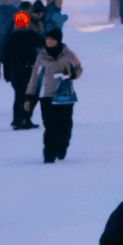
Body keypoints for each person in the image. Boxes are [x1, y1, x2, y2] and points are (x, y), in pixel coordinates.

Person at [32, 30, 85, 164]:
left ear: (59, 40)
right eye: (47, 39)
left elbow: (79, 68)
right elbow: (35, 76)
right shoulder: (41, 56)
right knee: (50, 126)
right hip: (47, 96)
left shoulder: (69, 54)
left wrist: (72, 75)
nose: (49, 42)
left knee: (65, 125)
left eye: (52, 39)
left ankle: (62, 147)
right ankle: (49, 154)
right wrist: (29, 95)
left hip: (65, 95)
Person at [0, 0, 40, 130]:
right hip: (28, 69)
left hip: (16, 70)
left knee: (19, 96)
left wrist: (7, 74)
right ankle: (24, 119)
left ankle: (18, 120)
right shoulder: (30, 34)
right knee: (29, 95)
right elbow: (44, 43)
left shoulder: (11, 37)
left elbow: (5, 57)